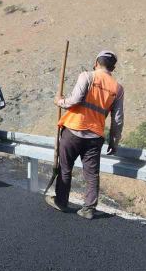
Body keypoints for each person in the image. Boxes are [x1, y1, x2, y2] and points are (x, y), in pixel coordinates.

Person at [46, 50, 124, 219]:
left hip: (73, 130)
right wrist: (114, 141)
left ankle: (61, 202)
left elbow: (74, 101)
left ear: (96, 62)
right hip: (95, 136)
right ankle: (88, 208)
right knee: (91, 173)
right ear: (113, 67)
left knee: (65, 168)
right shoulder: (117, 88)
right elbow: (117, 119)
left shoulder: (87, 76)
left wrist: (59, 101)